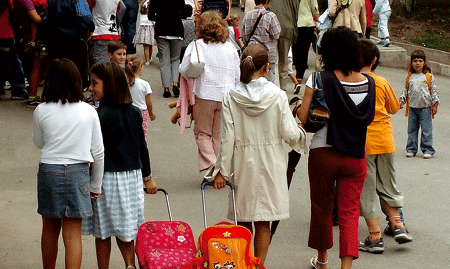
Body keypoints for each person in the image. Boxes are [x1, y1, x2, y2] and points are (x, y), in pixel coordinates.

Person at [212, 43, 307, 265]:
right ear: (266, 67)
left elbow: (227, 138)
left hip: (243, 163)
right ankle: (259, 264)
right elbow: (290, 134)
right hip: (270, 163)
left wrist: (221, 172)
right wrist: (300, 130)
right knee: (264, 220)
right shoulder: (277, 95)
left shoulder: (231, 96)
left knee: (243, 218)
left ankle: (244, 263)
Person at [297, 26, 375, 269]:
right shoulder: (369, 83)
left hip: (323, 152)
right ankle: (346, 266)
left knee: (321, 208)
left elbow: (303, 117)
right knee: (350, 213)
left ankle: (322, 261)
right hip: (355, 156)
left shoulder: (319, 79)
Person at [82, 62, 157, 269]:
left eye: (94, 83)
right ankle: (130, 265)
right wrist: (148, 176)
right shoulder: (134, 112)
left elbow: (93, 152)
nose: (90, 88)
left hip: (105, 178)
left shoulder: (99, 116)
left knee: (103, 231)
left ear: (110, 85)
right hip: (131, 178)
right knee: (127, 229)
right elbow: (143, 146)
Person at [33, 58, 104, 269]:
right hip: (78, 172)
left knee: (49, 229)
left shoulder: (41, 110)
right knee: (73, 235)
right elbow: (98, 152)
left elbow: (38, 142)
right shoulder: (89, 111)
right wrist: (95, 185)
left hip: (49, 170)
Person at [358, 39, 412, 255]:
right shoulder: (381, 82)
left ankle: (375, 236)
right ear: (374, 60)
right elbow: (394, 108)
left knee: (368, 190)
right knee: (389, 185)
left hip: (364, 144)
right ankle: (398, 224)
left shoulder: (353, 82)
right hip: (386, 141)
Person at [179, 10, 239, 174]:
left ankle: (213, 165)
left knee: (202, 133)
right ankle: (220, 169)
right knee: (218, 135)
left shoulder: (196, 45)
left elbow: (184, 69)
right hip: (226, 95)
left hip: (204, 94)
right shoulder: (230, 48)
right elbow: (237, 75)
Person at [43, 0, 95, 88]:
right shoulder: (78, 0)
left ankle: (58, 93)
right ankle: (75, 93)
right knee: (76, 70)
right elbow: (87, 18)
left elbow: (46, 19)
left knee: (58, 69)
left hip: (56, 40)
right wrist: (91, 29)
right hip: (75, 39)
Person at [399, 50, 439, 159]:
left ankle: (428, 149)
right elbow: (405, 90)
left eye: (420, 61)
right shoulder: (409, 77)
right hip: (412, 107)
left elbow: (434, 91)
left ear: (424, 62)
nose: (417, 63)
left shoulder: (428, 76)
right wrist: (401, 101)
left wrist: (435, 105)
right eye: (415, 61)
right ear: (411, 62)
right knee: (412, 130)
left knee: (426, 130)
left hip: (425, 108)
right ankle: (411, 149)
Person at [148, 0, 189, 98]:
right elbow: (184, 14)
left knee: (164, 60)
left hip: (161, 29)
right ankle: (175, 83)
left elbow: (150, 16)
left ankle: (166, 88)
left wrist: (159, 17)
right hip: (176, 29)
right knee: (175, 59)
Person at [242, 0, 281, 83]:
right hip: (268, 54)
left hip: (251, 53)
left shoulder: (247, 15)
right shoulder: (271, 16)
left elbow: (244, 37)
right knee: (269, 83)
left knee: (252, 80)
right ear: (266, 1)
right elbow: (276, 35)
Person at [268, 0, 300, 90]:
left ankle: (273, 89)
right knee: (284, 61)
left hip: (271, 28)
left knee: (272, 61)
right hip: (287, 28)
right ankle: (283, 90)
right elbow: (296, 11)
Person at [0, 0, 28, 99]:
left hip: (4, 30)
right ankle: (18, 90)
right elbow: (12, 7)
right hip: (4, 31)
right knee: (13, 63)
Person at [125, 54, 156, 139]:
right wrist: (151, 113)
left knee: (130, 134)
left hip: (128, 112)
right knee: (142, 134)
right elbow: (148, 102)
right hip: (142, 112)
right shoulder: (144, 84)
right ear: (140, 68)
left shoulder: (125, 83)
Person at [291, 0, 320, 93]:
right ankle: (299, 75)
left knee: (295, 47)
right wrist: (318, 20)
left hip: (295, 22)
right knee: (304, 49)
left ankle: (296, 70)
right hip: (307, 23)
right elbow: (314, 8)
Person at [90, 0, 122, 65]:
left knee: (101, 65)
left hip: (99, 32)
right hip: (113, 32)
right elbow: (122, 8)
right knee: (111, 64)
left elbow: (87, 9)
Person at [133, 0, 155, 65]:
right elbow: (154, 22)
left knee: (145, 47)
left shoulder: (142, 16)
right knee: (150, 46)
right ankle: (149, 58)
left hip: (143, 31)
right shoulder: (151, 16)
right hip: (150, 31)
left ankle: (147, 60)